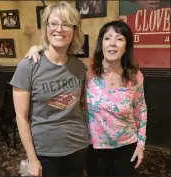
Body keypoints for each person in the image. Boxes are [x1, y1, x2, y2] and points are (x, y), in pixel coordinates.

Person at [25, 20, 147, 176]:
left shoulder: (135, 76)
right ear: (101, 44)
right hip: (95, 147)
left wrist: (141, 144)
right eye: (107, 38)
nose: (113, 44)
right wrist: (39, 49)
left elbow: (141, 109)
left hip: (127, 145)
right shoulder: (86, 71)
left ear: (126, 46)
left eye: (120, 39)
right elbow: (59, 59)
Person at [10, 2, 89, 177]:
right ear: (46, 27)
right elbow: (21, 118)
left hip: (78, 145)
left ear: (74, 30)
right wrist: (32, 159)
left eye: (66, 24)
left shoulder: (80, 67)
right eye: (53, 23)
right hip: (45, 151)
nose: (59, 29)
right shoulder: (28, 66)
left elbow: (82, 106)